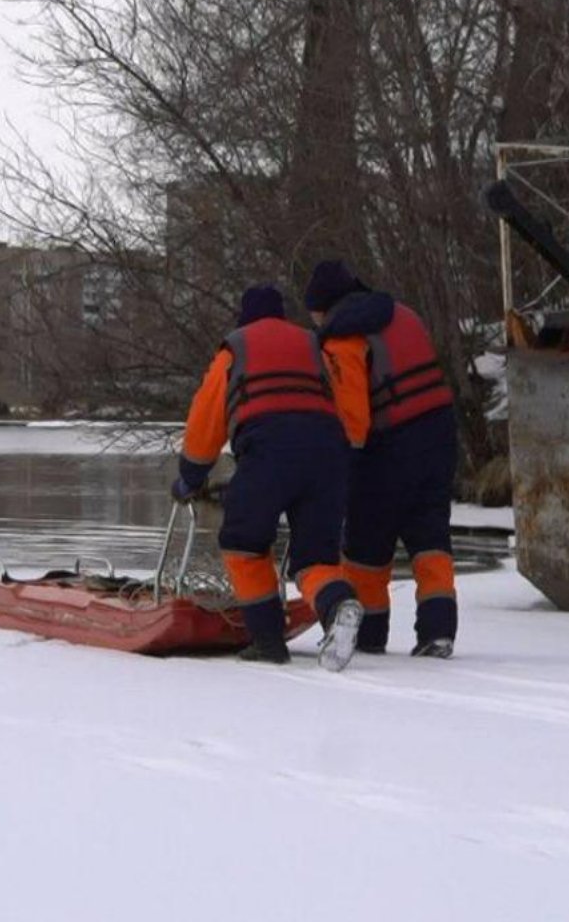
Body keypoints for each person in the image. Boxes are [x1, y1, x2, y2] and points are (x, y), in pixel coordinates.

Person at [173, 283, 363, 668]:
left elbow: (204, 424)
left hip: (268, 453)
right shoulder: (314, 346)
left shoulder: (236, 349)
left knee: (243, 542)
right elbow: (345, 405)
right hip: (328, 453)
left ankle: (267, 641)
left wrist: (190, 478)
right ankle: (337, 604)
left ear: (245, 318)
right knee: (315, 557)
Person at [304, 259, 458, 658]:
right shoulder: (402, 313)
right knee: (430, 538)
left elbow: (354, 421)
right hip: (439, 434)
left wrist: (336, 468)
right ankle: (438, 632)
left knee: (365, 546)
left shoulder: (342, 339)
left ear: (324, 308)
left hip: (387, 447)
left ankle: (369, 637)